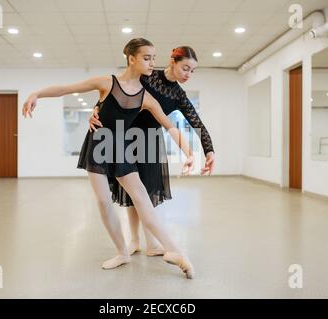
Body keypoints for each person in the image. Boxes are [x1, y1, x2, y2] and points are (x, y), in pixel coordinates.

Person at [22, 38, 195, 279]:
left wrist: (189, 152)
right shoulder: (106, 83)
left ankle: (174, 251)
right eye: (147, 58)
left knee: (141, 196)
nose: (152, 63)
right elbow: (66, 89)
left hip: (122, 147)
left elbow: (170, 126)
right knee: (103, 201)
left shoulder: (146, 97)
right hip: (99, 144)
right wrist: (37, 93)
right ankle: (122, 252)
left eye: (154, 58)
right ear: (131, 58)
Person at [89, 46, 215, 257]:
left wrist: (209, 151)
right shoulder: (148, 75)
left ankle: (151, 243)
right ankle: (135, 240)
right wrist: (95, 110)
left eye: (192, 71)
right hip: (125, 136)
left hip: (149, 143)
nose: (188, 75)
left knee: (144, 191)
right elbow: (117, 89)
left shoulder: (178, 95)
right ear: (173, 61)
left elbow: (196, 122)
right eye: (185, 68)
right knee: (130, 191)